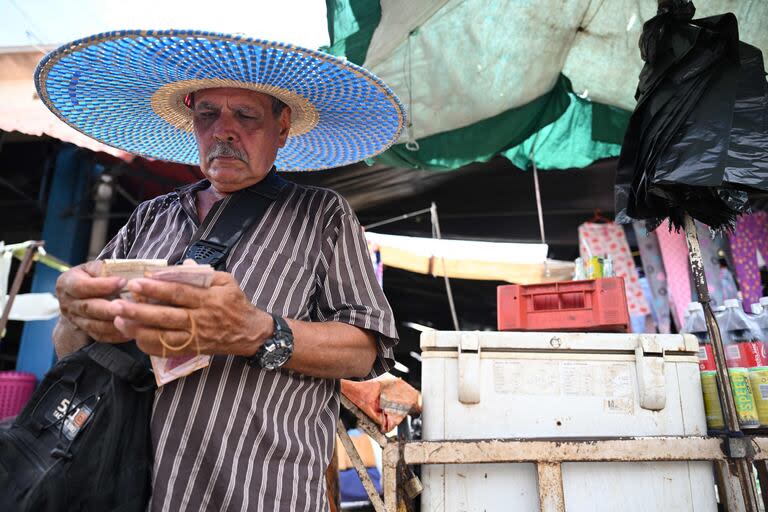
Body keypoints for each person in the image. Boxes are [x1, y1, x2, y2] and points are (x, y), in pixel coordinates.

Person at [38, 30, 406, 511]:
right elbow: (69, 353)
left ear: (283, 127)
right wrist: (73, 315)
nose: (223, 131)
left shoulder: (321, 216)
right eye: (208, 114)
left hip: (263, 490)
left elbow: (367, 349)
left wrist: (256, 331)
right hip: (128, 489)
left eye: (246, 115)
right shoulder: (152, 217)